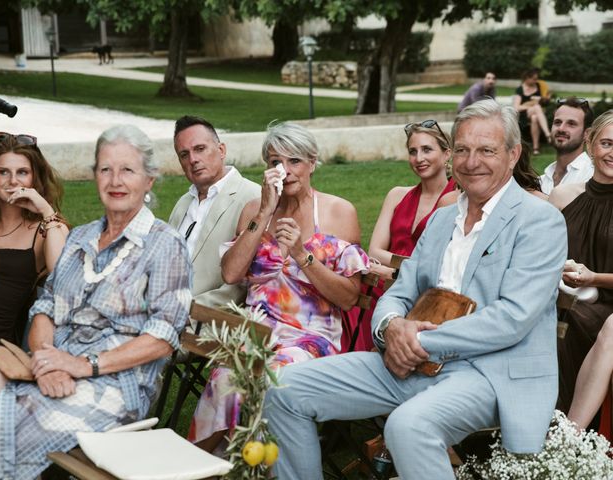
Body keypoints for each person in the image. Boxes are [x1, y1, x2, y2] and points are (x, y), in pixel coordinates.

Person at [264, 99, 567, 480]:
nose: (472, 161)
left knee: (408, 427)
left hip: (490, 373)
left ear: (513, 154)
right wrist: (391, 326)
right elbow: (399, 290)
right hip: (409, 362)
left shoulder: (540, 221)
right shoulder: (442, 220)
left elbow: (512, 318)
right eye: (462, 150)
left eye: (487, 150)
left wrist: (417, 342)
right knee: (284, 386)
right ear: (452, 154)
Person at [0, 125, 191, 479]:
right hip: (51, 367)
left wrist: (81, 365)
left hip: (113, 385)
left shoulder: (165, 245)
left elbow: (163, 338)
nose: (115, 180)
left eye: (127, 170)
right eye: (106, 169)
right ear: (95, 176)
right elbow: (45, 307)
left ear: (149, 180)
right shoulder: (82, 237)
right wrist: (46, 359)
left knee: (12, 427)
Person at [187, 122, 369, 451]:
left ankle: (204, 462)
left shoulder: (338, 212)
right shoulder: (255, 211)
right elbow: (231, 274)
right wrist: (266, 209)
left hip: (310, 338)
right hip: (256, 334)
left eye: (294, 161)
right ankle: (222, 464)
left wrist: (302, 255)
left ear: (312, 163)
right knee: (227, 377)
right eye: (274, 162)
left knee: (262, 380)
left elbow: (349, 297)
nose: (284, 170)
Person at [342, 120, 456, 352]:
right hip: (379, 284)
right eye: (412, 152)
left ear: (447, 154)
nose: (419, 158)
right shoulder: (397, 195)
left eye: (427, 150)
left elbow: (441, 262)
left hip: (422, 291)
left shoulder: (456, 200)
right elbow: (374, 251)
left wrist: (392, 271)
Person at [0, 132, 68, 367]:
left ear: (34, 178)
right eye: (3, 172)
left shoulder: (47, 229)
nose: (12, 181)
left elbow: (63, 280)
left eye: (22, 173)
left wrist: (45, 210)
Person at [548, 109, 613, 414]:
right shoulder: (562, 196)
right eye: (607, 144)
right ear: (590, 142)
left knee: (565, 323)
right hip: (562, 297)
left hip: (606, 308)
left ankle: (561, 430)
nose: (612, 153)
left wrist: (593, 278)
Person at [168, 116, 260, 307]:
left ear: (221, 150)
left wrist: (183, 312)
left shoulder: (252, 198)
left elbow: (243, 285)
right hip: (163, 311)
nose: (193, 159)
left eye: (200, 149)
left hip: (209, 321)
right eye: (184, 154)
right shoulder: (183, 204)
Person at [540, 97, 594, 195]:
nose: (561, 128)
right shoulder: (541, 181)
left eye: (571, 124)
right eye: (557, 122)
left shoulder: (592, 178)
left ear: (587, 134)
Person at [513, 68, 552, 155]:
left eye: (536, 79)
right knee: (536, 107)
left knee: (535, 118)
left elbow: (544, 99)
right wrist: (530, 104)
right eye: (534, 79)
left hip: (537, 115)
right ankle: (548, 134)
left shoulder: (538, 86)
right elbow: (516, 107)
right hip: (524, 115)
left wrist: (543, 99)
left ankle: (535, 148)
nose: (536, 81)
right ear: (527, 78)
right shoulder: (520, 89)